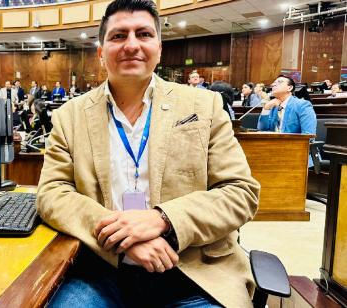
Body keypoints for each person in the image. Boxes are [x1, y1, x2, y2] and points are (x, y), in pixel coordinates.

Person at [37, 1, 260, 307]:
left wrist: (163, 220)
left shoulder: (203, 106)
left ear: (159, 47)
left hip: (193, 271)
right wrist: (121, 237)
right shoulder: (69, 116)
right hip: (101, 269)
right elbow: (52, 193)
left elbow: (240, 193)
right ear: (101, 53)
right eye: (118, 36)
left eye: (143, 34)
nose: (131, 45)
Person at [257, 75, 317, 165]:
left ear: (290, 88)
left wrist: (284, 151)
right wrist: (266, 108)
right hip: (275, 154)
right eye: (273, 82)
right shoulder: (273, 106)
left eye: (279, 82)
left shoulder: (302, 105)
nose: (273, 84)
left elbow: (309, 137)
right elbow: (262, 130)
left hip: (297, 155)